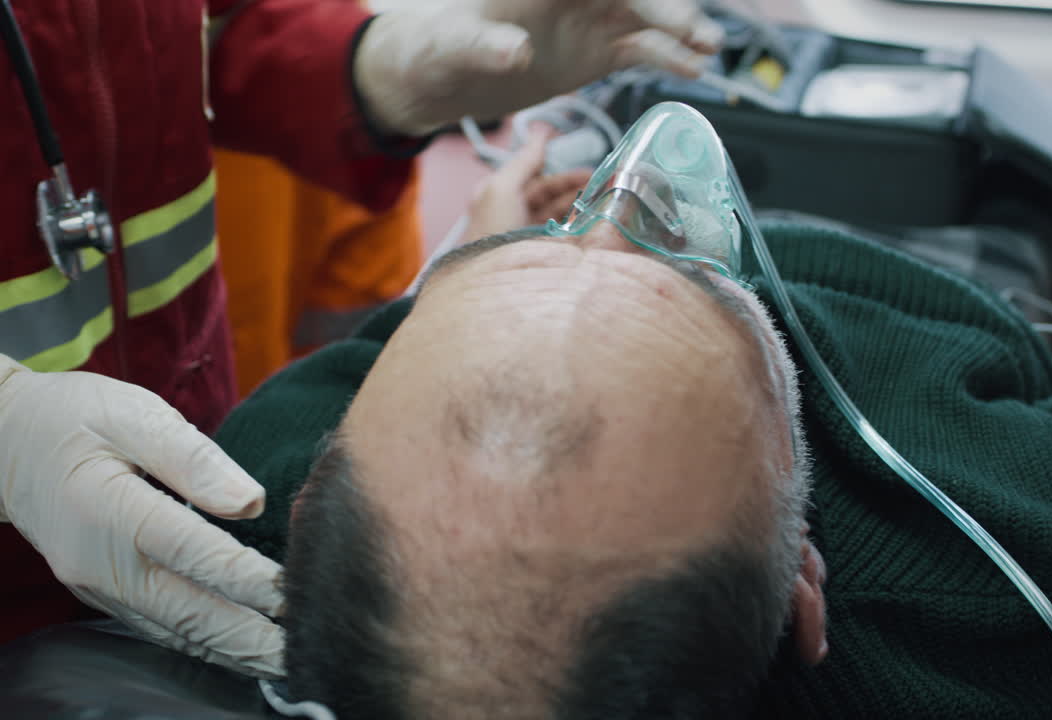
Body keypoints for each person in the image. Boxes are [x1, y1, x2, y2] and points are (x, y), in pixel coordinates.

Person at [206, 121, 1052, 718]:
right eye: (695, 289)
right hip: (956, 276)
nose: (627, 194)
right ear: (802, 584)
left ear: (317, 493)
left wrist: (468, 253)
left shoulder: (246, 482)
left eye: (526, 263)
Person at [0, 0, 724, 676]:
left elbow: (196, 35)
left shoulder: (277, 461)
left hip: (197, 462)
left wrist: (360, 67)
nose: (599, 230)